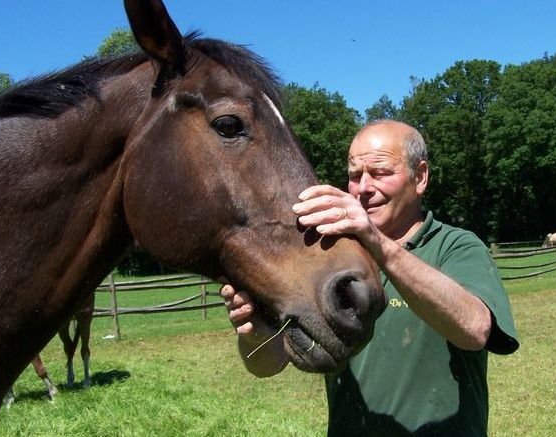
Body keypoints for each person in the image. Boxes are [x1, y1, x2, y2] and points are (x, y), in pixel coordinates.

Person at [220, 120, 519, 436]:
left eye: (380, 173)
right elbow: (267, 365)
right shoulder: (330, 259)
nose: (363, 187)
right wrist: (254, 330)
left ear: (420, 177)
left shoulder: (456, 246)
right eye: (353, 176)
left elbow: (474, 329)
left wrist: (379, 246)